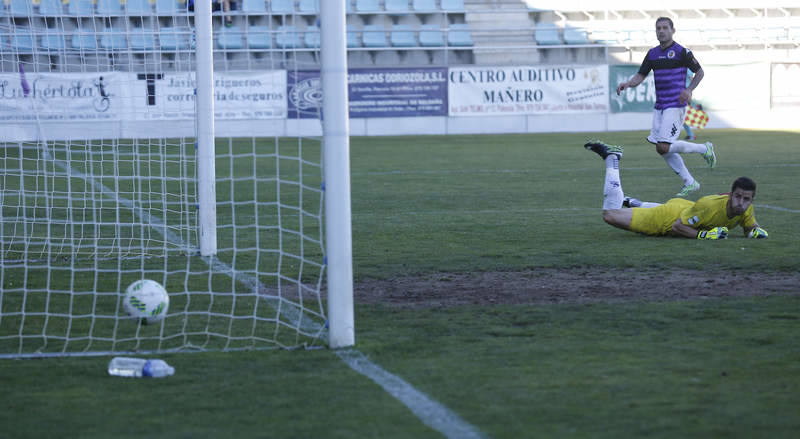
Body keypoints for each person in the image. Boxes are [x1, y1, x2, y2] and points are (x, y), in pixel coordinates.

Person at [584, 140, 769, 240]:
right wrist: (704, 235)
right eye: (738, 197)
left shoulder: (746, 209)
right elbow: (677, 226)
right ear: (730, 195)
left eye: (746, 200)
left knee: (625, 210)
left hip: (683, 208)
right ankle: (612, 158)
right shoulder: (710, 206)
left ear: (751, 201)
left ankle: (634, 203)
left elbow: (750, 226)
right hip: (666, 219)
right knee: (610, 214)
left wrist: (755, 231)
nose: (741, 203)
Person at [616, 17, 716, 198]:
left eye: (664, 28)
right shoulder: (652, 54)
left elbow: (699, 72)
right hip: (660, 106)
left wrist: (689, 89)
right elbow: (640, 75)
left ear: (672, 30)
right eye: (658, 28)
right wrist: (628, 84)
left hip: (675, 105)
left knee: (663, 146)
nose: (661, 31)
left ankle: (703, 150)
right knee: (661, 148)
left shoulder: (682, 52)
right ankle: (690, 181)